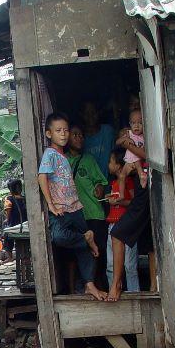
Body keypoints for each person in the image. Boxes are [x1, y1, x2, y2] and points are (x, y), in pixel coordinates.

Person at [37, 112, 105, 301]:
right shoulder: (50, 154)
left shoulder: (64, 156)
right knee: (59, 237)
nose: (64, 134)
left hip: (76, 207)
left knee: (85, 251)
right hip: (61, 209)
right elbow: (42, 177)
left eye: (66, 130)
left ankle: (89, 284)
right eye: (58, 131)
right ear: (49, 134)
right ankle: (86, 238)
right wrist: (51, 204)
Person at [67, 124, 109, 291]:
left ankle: (96, 286)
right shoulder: (63, 161)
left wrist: (99, 187)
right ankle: (72, 290)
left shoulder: (89, 159)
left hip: (94, 213)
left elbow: (100, 182)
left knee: (97, 252)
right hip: (75, 215)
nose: (79, 138)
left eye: (81, 135)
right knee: (74, 254)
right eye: (75, 134)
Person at [108, 165, 149, 302]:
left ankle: (125, 288)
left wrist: (126, 143)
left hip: (144, 191)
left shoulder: (132, 179)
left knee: (130, 264)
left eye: (111, 161)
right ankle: (116, 285)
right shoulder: (119, 180)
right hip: (115, 220)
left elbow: (130, 200)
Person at [105, 150, 139, 292]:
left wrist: (120, 201)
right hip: (112, 225)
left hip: (127, 225)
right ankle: (114, 288)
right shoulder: (113, 183)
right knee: (111, 264)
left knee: (129, 264)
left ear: (119, 165)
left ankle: (134, 293)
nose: (108, 165)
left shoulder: (129, 182)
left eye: (110, 161)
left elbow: (133, 202)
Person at [81, 101, 114, 180]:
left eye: (93, 112)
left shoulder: (108, 131)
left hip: (110, 182)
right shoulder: (80, 138)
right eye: (87, 113)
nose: (90, 116)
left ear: (98, 113)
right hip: (90, 187)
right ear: (82, 115)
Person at [0, 178, 27, 263]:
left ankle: (10, 256)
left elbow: (8, 210)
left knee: (6, 235)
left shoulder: (9, 198)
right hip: (25, 224)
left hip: (14, 225)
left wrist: (7, 219)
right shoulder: (24, 198)